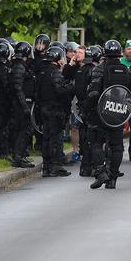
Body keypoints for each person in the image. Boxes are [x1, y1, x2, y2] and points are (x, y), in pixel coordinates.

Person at [85, 40, 131, 189]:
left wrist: (87, 109)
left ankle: (101, 173)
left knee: (95, 143)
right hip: (117, 115)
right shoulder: (127, 71)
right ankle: (112, 178)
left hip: (99, 113)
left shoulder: (98, 70)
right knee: (117, 146)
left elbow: (93, 93)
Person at [35, 46, 74, 177]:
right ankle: (56, 166)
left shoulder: (42, 72)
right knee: (55, 139)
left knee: (46, 138)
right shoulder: (55, 72)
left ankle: (46, 166)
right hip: (54, 110)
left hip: (44, 109)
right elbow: (59, 90)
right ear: (57, 58)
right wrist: (70, 87)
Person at [75, 45, 102, 177]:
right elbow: (93, 92)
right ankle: (91, 165)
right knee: (92, 139)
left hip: (81, 108)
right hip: (91, 108)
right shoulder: (93, 70)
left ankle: (84, 167)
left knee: (83, 138)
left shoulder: (80, 70)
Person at [8, 41, 35, 168]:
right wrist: (24, 106)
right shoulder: (19, 66)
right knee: (25, 130)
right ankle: (18, 156)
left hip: (20, 103)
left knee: (23, 130)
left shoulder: (19, 65)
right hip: (20, 104)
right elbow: (18, 87)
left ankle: (19, 155)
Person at [29, 34, 51, 152]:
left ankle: (42, 142)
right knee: (34, 118)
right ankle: (36, 142)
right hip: (35, 92)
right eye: (38, 43)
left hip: (44, 93)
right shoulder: (33, 59)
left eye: (42, 44)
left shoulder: (48, 58)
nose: (39, 46)